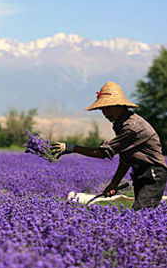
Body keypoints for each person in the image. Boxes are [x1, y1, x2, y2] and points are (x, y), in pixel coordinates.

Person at [52, 81, 167, 210]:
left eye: (108, 107)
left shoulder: (131, 127)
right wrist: (114, 184)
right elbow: (125, 159)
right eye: (102, 108)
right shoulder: (120, 124)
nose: (105, 112)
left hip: (152, 172)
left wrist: (72, 148)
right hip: (140, 172)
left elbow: (102, 153)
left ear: (121, 106)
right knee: (142, 212)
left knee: (142, 214)